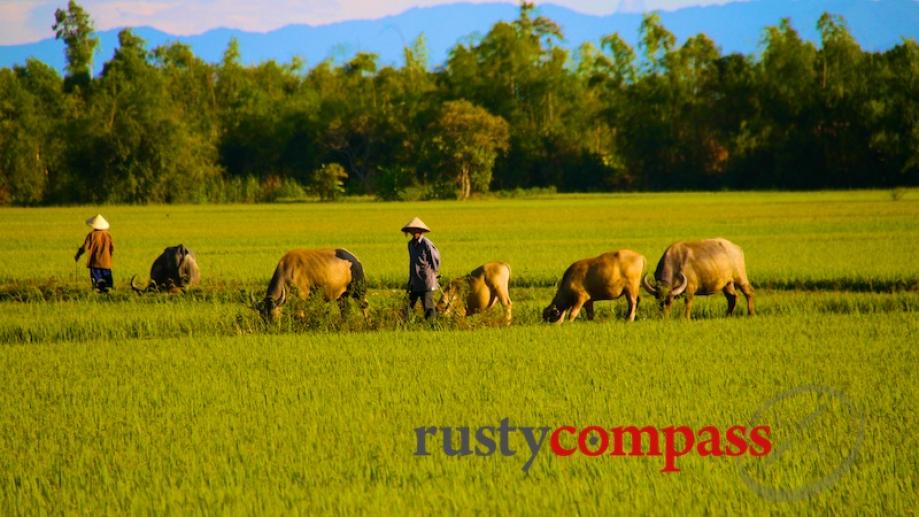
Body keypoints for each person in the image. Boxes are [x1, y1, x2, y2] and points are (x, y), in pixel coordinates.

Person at [402, 217, 440, 320]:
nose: (413, 232)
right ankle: (403, 326)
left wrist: (434, 273)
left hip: (426, 281)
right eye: (411, 230)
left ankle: (432, 327)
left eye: (415, 230)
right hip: (414, 281)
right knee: (407, 307)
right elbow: (412, 263)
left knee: (428, 308)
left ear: (420, 230)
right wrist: (410, 280)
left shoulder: (426, 243)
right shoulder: (410, 244)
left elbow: (435, 259)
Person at [74, 214, 115, 292]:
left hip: (95, 262)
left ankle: (98, 295)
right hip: (106, 263)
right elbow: (112, 248)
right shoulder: (108, 235)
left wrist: (78, 255)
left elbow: (84, 248)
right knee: (107, 283)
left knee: (97, 284)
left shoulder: (91, 235)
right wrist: (108, 258)